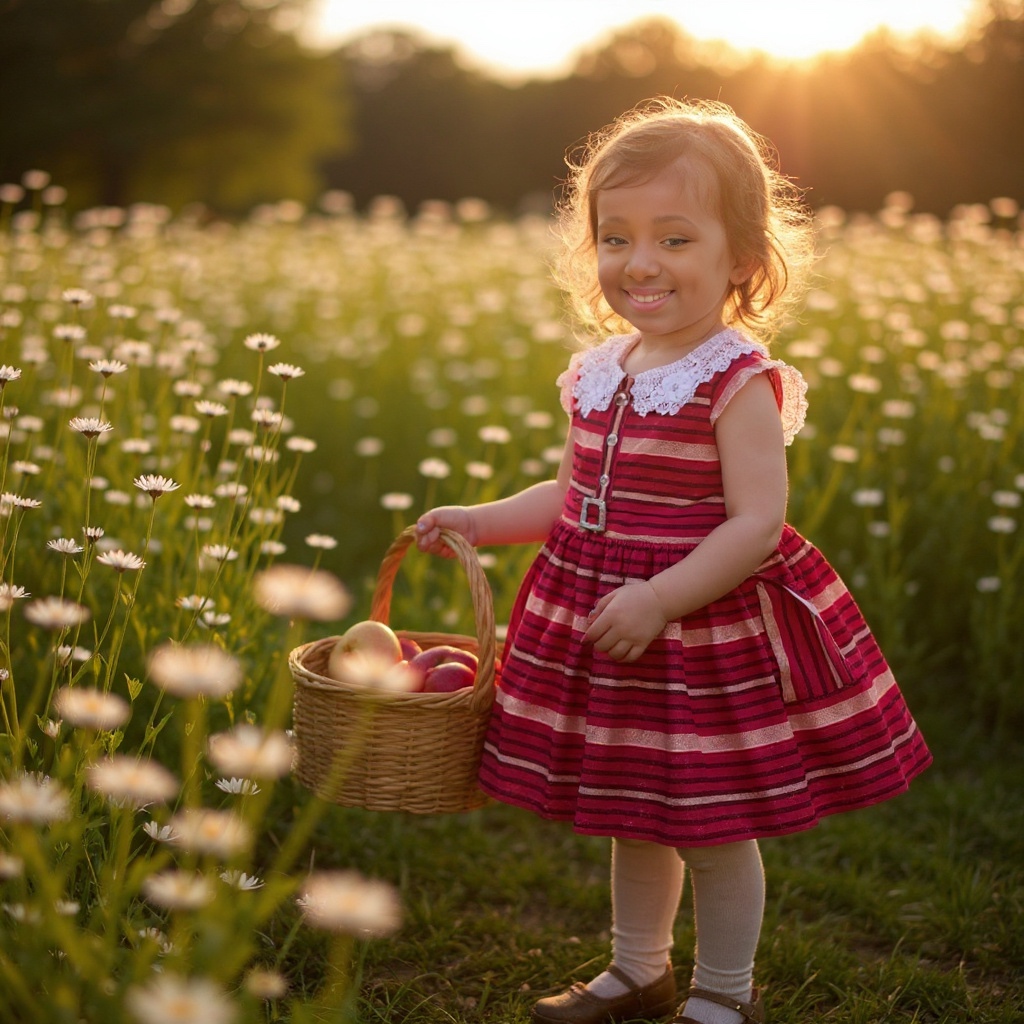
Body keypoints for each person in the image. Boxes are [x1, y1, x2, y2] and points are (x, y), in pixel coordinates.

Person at [415, 97, 931, 1024]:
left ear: (742, 258)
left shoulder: (739, 380)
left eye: (675, 238)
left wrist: (658, 597)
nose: (639, 263)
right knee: (628, 804)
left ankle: (724, 997)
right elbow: (572, 496)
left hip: (697, 628)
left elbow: (757, 526)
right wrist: (479, 519)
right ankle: (637, 969)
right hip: (606, 619)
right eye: (616, 238)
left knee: (710, 821)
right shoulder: (600, 369)